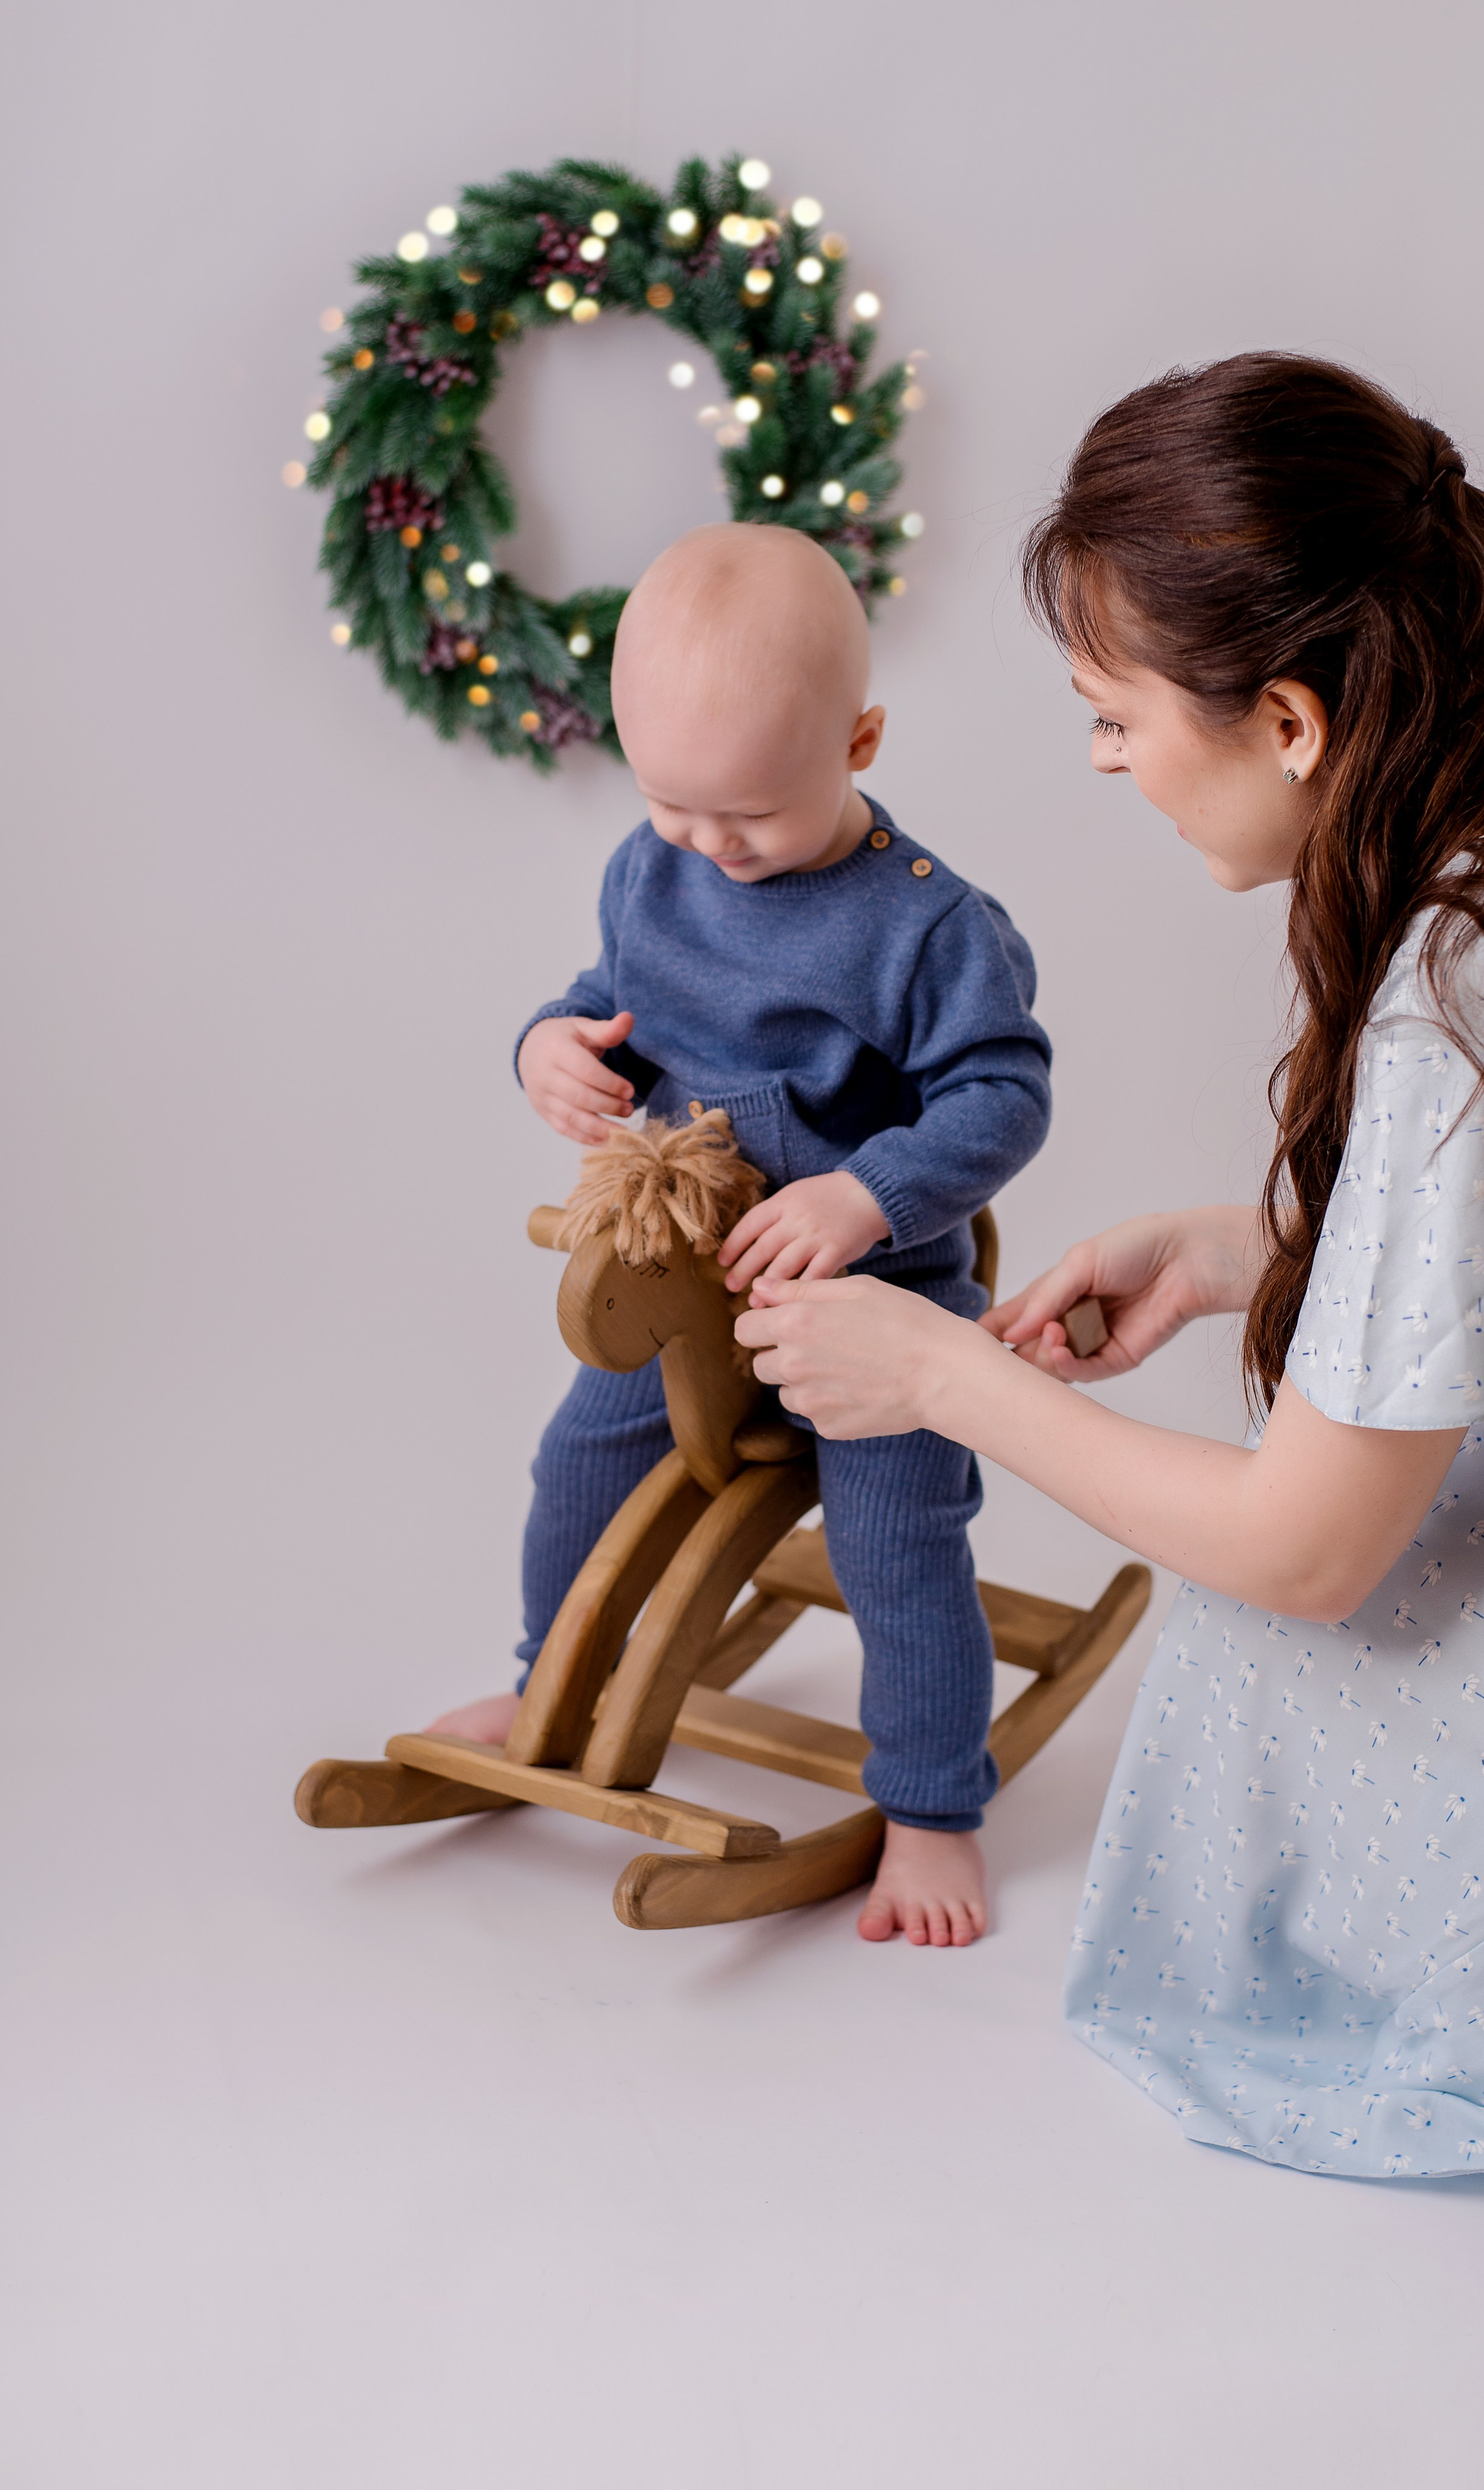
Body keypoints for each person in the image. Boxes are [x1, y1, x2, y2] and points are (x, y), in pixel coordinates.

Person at [735, 355, 1484, 2198]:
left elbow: (1310, 1551)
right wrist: (1274, 1251)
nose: (1102, 762)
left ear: (1293, 719)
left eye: (1112, 713)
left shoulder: (1474, 975)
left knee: (1269, 1617)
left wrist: (938, 1375)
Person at [428, 522, 1052, 1946]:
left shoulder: (928, 928)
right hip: (691, 1290)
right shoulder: (654, 874)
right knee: (574, 1462)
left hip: (870, 1303)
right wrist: (547, 1049)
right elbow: (607, 998)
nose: (714, 846)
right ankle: (549, 1680)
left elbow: (1003, 1094)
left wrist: (867, 1195)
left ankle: (930, 1805)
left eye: (754, 815)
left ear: (862, 738)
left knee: (897, 1541)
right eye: (673, 807)